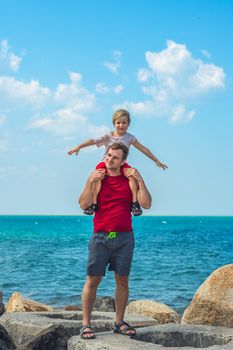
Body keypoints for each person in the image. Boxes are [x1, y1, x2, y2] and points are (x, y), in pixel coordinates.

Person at [78, 142, 152, 339]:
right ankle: (86, 325)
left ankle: (119, 322)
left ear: (123, 161)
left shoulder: (129, 179)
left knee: (122, 281)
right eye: (108, 155)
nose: (110, 159)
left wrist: (140, 179)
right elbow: (83, 204)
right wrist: (88, 181)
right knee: (93, 280)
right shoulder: (97, 177)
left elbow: (147, 204)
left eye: (115, 157)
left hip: (124, 238)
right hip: (102, 236)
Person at [68, 109, 167, 216]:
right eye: (118, 122)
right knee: (98, 176)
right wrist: (79, 146)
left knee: (132, 176)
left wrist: (156, 160)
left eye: (124, 122)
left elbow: (143, 149)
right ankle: (94, 203)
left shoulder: (130, 138)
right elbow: (93, 140)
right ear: (114, 123)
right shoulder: (108, 136)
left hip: (121, 164)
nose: (121, 125)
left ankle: (135, 203)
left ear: (128, 124)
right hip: (106, 163)